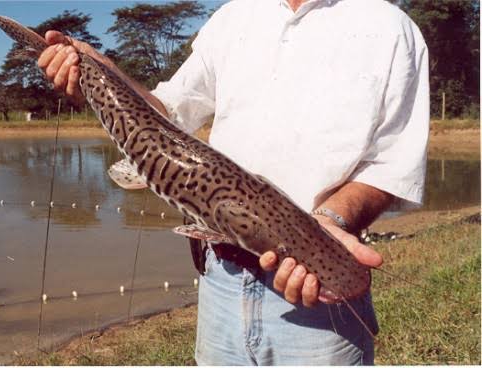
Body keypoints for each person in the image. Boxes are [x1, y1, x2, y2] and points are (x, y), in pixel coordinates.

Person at [37, 0, 429, 364]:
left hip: (319, 289)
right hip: (220, 283)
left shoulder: (389, 26)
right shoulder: (234, 16)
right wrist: (101, 68)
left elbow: (392, 165)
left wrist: (331, 221)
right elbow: (168, 113)